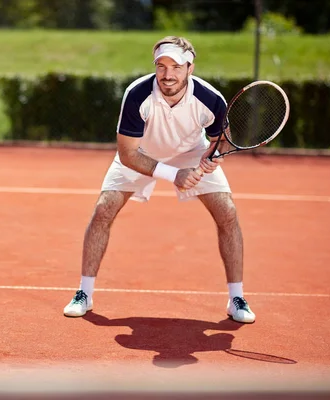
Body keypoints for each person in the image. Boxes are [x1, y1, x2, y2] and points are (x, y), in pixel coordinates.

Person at [63, 36, 255, 324]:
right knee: (104, 209)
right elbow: (127, 154)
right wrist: (173, 175)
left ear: (190, 68)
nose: (167, 75)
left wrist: (213, 156)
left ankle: (236, 297)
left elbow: (221, 141)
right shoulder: (138, 94)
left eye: (176, 67)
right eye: (161, 66)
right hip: (141, 152)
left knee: (227, 214)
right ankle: (84, 294)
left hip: (191, 152)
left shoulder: (211, 99)